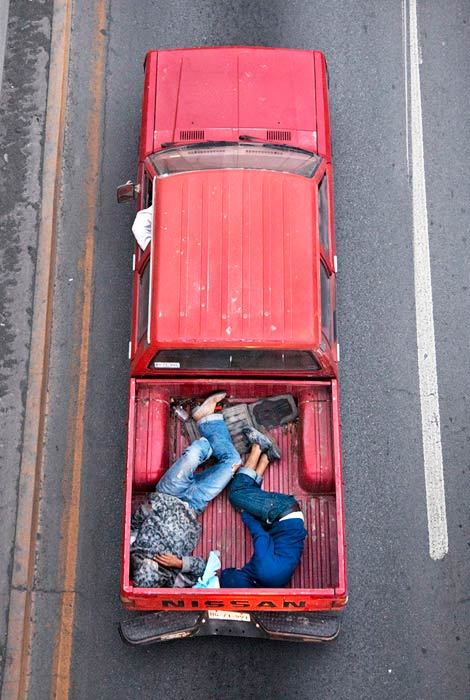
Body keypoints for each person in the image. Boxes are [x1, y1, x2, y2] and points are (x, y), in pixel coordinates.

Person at [130, 392, 241, 588]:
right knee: (233, 462)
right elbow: (205, 569)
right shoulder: (173, 579)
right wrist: (180, 563)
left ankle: (209, 431)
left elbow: (133, 524)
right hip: (194, 503)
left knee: (196, 452)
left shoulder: (134, 552)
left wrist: (151, 506)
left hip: (168, 493)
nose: (150, 564)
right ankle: (207, 419)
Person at [220, 427, 307, 588]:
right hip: (282, 511)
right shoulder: (262, 570)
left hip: (285, 524)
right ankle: (258, 446)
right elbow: (260, 536)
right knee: (237, 495)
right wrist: (244, 514)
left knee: (248, 499)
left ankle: (267, 457)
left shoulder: (272, 585)